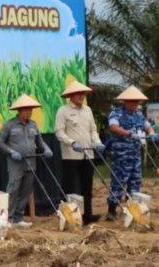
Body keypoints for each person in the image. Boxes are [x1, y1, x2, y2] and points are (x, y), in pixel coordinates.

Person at [0, 95, 53, 228]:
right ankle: (7, 219)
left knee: (26, 191)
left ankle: (18, 218)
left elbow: (40, 142)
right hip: (15, 164)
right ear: (19, 110)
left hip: (31, 163)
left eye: (30, 110)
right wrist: (11, 152)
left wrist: (47, 149)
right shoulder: (9, 124)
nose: (29, 112)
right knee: (13, 190)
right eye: (26, 110)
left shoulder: (33, 124)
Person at [105, 86, 159, 221]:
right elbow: (113, 127)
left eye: (137, 102)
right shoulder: (116, 113)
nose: (135, 104)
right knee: (118, 182)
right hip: (121, 155)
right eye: (133, 101)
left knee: (135, 182)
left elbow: (148, 127)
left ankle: (132, 209)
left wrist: (152, 133)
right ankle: (112, 210)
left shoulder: (139, 115)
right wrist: (127, 133)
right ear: (126, 101)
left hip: (135, 155)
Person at [54, 80, 103, 225]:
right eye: (78, 94)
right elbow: (59, 132)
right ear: (71, 95)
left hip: (88, 154)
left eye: (83, 94)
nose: (81, 96)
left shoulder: (88, 110)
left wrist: (97, 142)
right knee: (69, 186)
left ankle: (87, 215)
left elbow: (93, 130)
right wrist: (72, 142)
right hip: (71, 155)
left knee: (87, 186)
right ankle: (68, 216)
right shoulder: (63, 111)